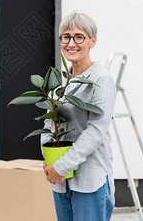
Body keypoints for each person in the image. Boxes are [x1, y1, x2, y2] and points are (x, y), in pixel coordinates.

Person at [41, 12, 116, 221]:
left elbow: (96, 131)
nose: (71, 43)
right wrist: (49, 161)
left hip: (90, 180)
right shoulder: (60, 81)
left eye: (78, 37)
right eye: (66, 36)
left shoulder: (102, 79)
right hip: (60, 181)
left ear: (93, 41)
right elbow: (49, 123)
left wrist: (61, 166)